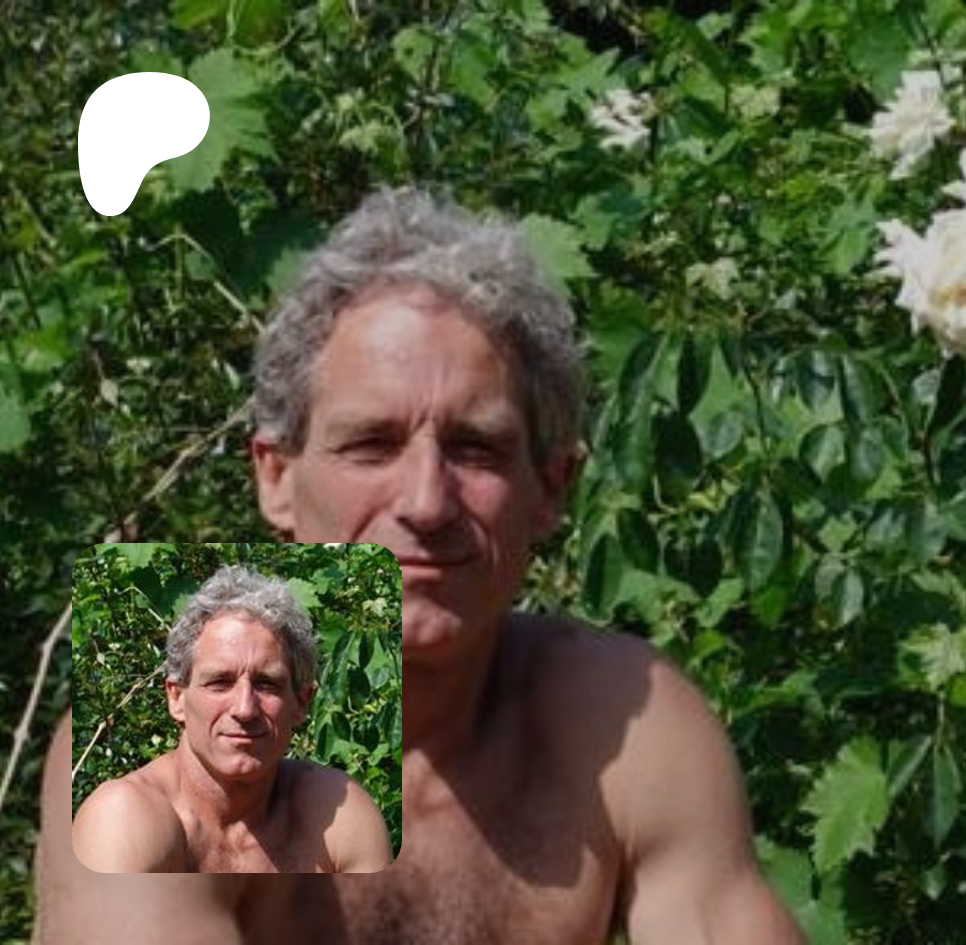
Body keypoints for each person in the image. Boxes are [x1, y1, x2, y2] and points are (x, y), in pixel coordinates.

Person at [36, 187, 803, 943]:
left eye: (477, 448)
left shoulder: (621, 726)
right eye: (371, 444)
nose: (428, 501)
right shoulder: (147, 746)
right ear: (276, 477)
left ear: (551, 488)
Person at [69, 564, 392, 875]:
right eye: (219, 682)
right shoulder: (125, 819)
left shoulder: (337, 812)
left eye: (267, 684)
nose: (245, 708)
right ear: (176, 698)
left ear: (301, 702)